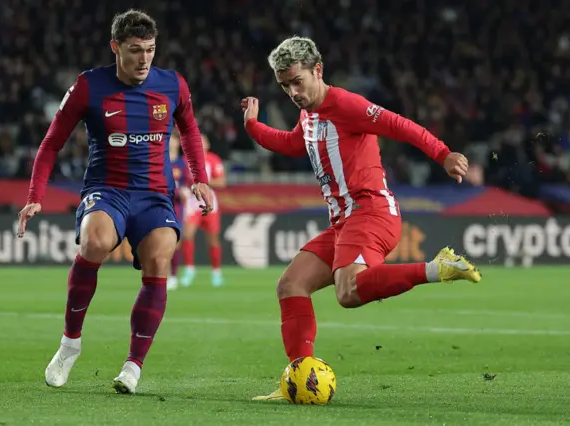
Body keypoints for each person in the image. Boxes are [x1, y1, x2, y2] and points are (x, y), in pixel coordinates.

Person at [240, 36, 482, 401]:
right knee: (290, 285)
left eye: (297, 81)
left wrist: (444, 154)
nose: (292, 91)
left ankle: (438, 268)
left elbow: (399, 125)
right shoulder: (308, 114)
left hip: (371, 211)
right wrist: (253, 127)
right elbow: (292, 143)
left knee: (348, 291)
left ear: (317, 70)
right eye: (284, 85)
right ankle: (299, 379)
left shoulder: (346, 105)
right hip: (342, 222)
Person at [16, 9, 213, 395]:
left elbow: (189, 130)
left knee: (160, 259)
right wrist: (35, 196)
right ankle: (70, 343)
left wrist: (200, 179)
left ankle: (133, 366)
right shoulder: (89, 87)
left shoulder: (173, 85)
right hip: (107, 189)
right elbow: (51, 141)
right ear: (116, 47)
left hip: (155, 195)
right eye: (135, 50)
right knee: (96, 241)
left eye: (150, 50)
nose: (144, 59)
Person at [180, 134, 227, 288]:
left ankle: (216, 271)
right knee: (187, 235)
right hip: (192, 202)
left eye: (203, 141)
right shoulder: (185, 160)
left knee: (212, 239)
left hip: (209, 201)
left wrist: (203, 182)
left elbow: (221, 182)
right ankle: (189, 269)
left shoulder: (213, 159)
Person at [168, 130, 190, 290]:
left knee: (176, 241)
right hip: (159, 203)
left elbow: (188, 184)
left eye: (174, 139)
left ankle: (173, 275)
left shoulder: (182, 163)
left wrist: (185, 191)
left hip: (177, 207)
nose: (171, 142)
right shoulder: (159, 160)